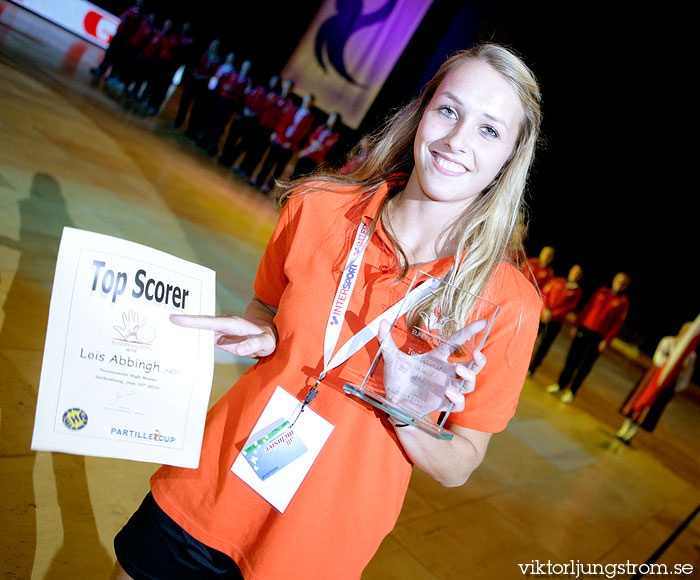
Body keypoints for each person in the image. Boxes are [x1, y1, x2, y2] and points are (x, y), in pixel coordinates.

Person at [110, 43, 543, 580]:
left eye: (489, 130)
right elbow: (266, 306)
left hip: (315, 551)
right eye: (449, 111)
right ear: (422, 113)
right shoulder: (317, 207)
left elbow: (461, 464)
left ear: (510, 156)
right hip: (210, 489)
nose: (457, 140)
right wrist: (265, 332)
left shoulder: (508, 305)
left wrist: (406, 409)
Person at [546, 272, 630, 403]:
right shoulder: (602, 291)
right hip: (584, 329)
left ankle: (572, 391)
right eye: (619, 281)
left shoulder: (622, 302)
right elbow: (587, 307)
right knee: (571, 359)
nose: (620, 284)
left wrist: (606, 340)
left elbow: (617, 324)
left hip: (598, 337)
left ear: (626, 286)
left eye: (623, 283)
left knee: (584, 366)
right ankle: (560, 384)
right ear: (614, 280)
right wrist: (577, 324)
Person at [616, 319, 699, 443]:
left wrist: (677, 386)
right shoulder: (668, 341)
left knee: (652, 408)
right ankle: (625, 426)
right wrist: (668, 366)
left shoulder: (690, 355)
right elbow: (658, 357)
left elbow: (686, 374)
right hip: (654, 377)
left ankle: (632, 433)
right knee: (638, 400)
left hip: (668, 383)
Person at [251, 92, 316, 193]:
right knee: (268, 162)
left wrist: (292, 143)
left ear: (311, 104)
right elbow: (283, 121)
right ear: (304, 100)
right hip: (280, 139)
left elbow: (303, 133)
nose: (307, 103)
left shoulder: (309, 118)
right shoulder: (294, 109)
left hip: (289, 146)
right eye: (306, 100)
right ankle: (259, 180)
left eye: (309, 102)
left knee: (279, 168)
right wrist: (276, 133)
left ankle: (268, 186)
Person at [528, 264, 583, 375]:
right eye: (574, 272)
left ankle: (532, 368)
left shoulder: (577, 292)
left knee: (544, 346)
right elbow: (544, 293)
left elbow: (568, 308)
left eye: (578, 274)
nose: (575, 275)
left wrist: (552, 315)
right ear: (570, 271)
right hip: (543, 316)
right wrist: (545, 310)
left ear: (580, 277)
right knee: (529, 338)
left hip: (555, 322)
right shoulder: (557, 281)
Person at [289, 111, 341, 179]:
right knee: (294, 175)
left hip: (315, 159)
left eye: (334, 121)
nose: (332, 122)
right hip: (307, 155)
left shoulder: (335, 135)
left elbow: (323, 147)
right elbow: (311, 138)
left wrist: (307, 150)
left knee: (303, 178)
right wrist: (307, 150)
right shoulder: (321, 127)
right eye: (331, 119)